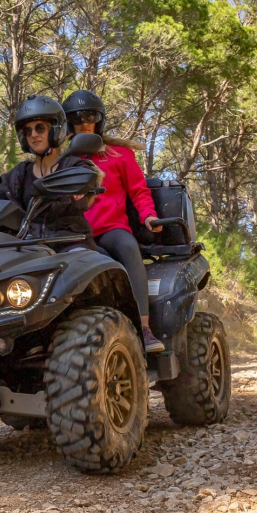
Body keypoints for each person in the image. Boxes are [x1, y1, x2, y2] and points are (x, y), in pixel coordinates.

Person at [62, 89, 165, 353]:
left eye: (91, 116)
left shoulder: (119, 154)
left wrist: (149, 216)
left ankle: (145, 329)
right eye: (77, 118)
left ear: (100, 120)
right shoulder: (63, 160)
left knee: (128, 247)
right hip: (73, 233)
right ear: (67, 122)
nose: (84, 122)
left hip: (111, 230)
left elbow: (139, 192)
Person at [0, 94, 96, 251]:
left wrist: (82, 184)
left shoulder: (72, 166)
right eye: (28, 131)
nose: (34, 134)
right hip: (31, 246)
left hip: (71, 243)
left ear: (56, 130)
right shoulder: (19, 175)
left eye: (40, 128)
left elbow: (87, 174)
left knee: (77, 266)